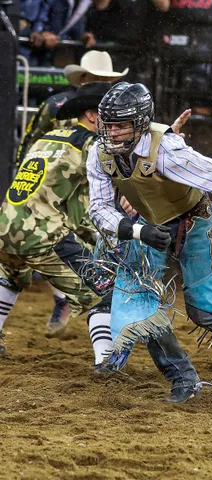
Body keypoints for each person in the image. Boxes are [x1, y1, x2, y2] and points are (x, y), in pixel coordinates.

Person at [87, 82, 212, 402]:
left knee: (204, 308)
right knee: (138, 303)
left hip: (193, 221)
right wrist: (138, 231)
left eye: (120, 125)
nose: (111, 133)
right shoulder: (99, 154)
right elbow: (99, 208)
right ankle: (181, 375)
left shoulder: (169, 151)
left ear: (140, 124)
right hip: (147, 225)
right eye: (108, 124)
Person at [15, 50, 129, 338]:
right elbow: (30, 144)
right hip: (62, 187)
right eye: (99, 79)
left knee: (74, 247)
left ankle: (77, 303)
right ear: (85, 78)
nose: (104, 84)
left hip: (87, 187)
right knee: (69, 246)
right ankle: (76, 304)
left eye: (107, 80)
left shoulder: (102, 110)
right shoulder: (56, 107)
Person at [0, 83, 114, 367]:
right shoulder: (92, 146)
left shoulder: (49, 137)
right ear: (91, 115)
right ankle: (107, 360)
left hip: (5, 226)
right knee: (103, 289)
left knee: (9, 278)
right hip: (43, 234)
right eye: (110, 115)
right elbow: (81, 214)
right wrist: (107, 240)